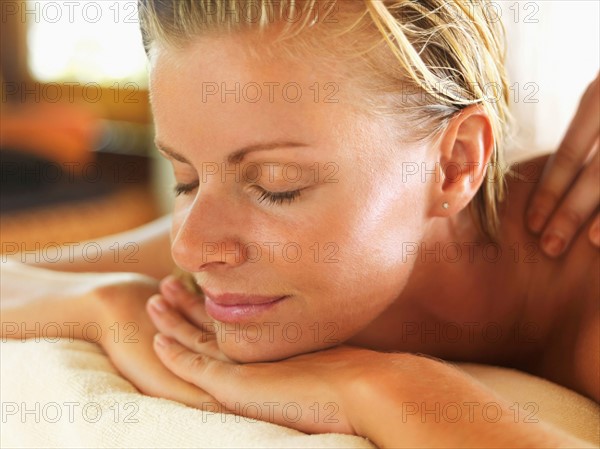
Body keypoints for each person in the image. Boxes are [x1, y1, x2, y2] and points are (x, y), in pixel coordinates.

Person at [1, 0, 598, 447]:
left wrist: (379, 386)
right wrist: (111, 306)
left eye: (276, 185)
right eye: (185, 178)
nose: (190, 248)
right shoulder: (230, 240)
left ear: (454, 163)